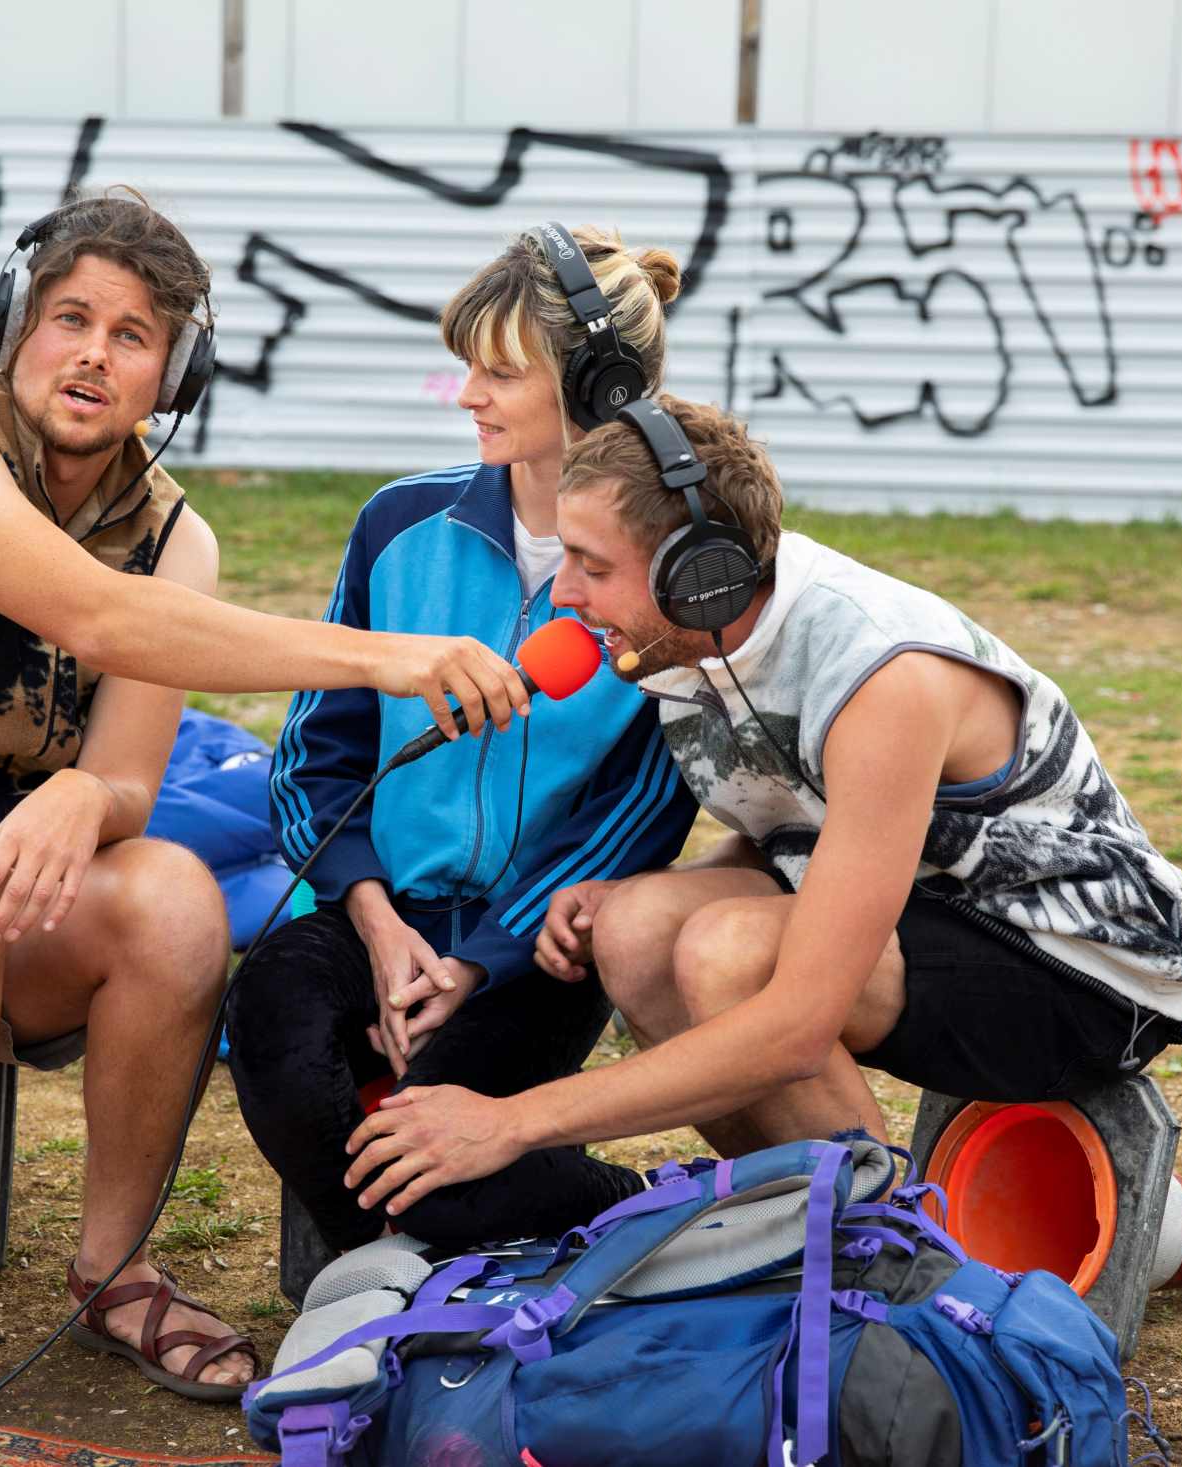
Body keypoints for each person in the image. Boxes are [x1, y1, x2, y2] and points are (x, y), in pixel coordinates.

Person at [0, 189, 529, 1446]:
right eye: (70, 317)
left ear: (172, 372)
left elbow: (133, 779)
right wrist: (379, 653)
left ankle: (114, 1271)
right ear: (13, 326)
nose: (94, 352)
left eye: (135, 334)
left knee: (174, 895)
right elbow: (94, 616)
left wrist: (87, 793)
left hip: (4, 904)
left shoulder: (174, 534)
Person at [341, 394, 1182, 1220]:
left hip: (1086, 963)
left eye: (593, 566)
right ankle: (803, 1213)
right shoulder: (676, 641)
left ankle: (894, 1250)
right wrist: (681, 883)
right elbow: (814, 829)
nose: (564, 593)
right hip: (930, 909)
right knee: (638, 925)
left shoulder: (880, 671)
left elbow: (797, 1025)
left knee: (732, 953)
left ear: (701, 574)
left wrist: (509, 1123)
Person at [226, 225, 698, 1259]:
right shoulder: (396, 524)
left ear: (596, 382)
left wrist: (479, 963)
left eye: (497, 371)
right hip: (374, 911)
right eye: (465, 369)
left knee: (438, 1159)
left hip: (531, 952)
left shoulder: (664, 563)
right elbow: (317, 753)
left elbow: (646, 811)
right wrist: (378, 920)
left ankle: (659, 1203)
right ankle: (410, 1254)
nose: (468, 395)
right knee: (267, 1020)